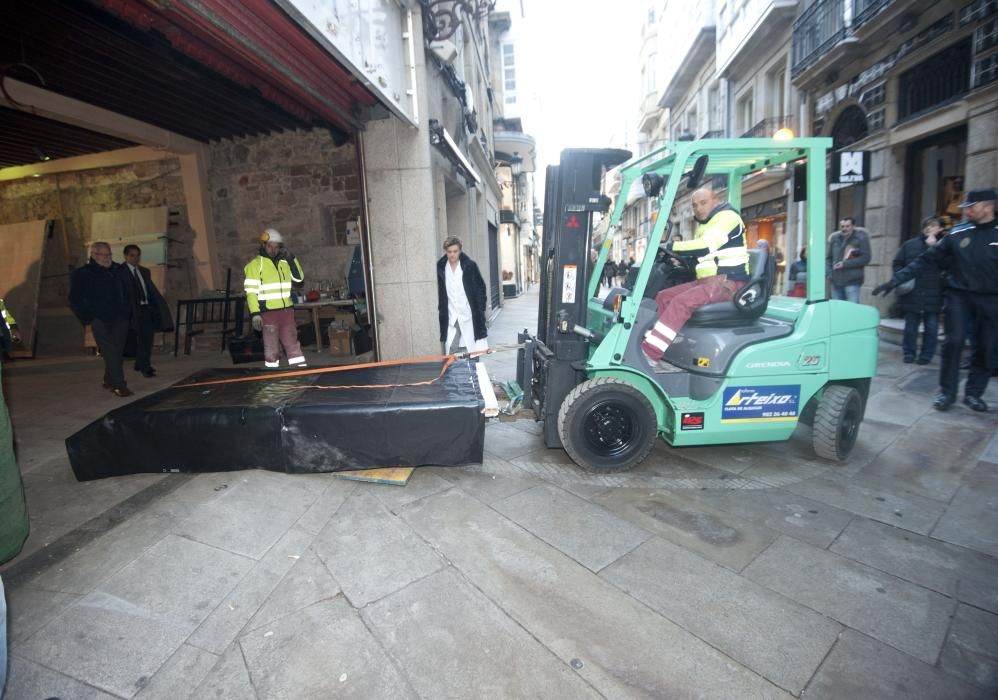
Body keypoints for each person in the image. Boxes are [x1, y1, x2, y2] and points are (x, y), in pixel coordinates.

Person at [873, 188, 998, 412]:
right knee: (954, 342)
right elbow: (924, 260)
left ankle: (974, 394)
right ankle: (947, 393)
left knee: (987, 347)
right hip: (959, 296)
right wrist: (894, 281)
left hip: (991, 299)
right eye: (966, 206)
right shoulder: (957, 234)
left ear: (989, 206)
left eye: (972, 206)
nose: (967, 210)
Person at [641, 187, 749, 363]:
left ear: (716, 200)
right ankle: (665, 343)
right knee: (663, 296)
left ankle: (650, 353)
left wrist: (671, 247)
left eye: (703, 203)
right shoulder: (707, 224)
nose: (698, 208)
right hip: (708, 283)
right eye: (694, 205)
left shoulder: (727, 217)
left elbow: (705, 246)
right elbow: (701, 258)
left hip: (727, 283)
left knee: (681, 302)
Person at [70, 242, 134, 397]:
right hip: (99, 318)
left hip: (120, 317)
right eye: (103, 255)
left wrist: (128, 312)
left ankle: (108, 379)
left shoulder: (118, 270)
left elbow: (129, 292)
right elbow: (74, 299)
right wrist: (89, 318)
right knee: (110, 351)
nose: (107, 258)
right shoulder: (82, 274)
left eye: (109, 254)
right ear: (93, 255)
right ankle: (119, 385)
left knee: (117, 351)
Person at [244, 228, 306, 369]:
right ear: (263, 245)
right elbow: (251, 292)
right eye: (270, 246)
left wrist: (292, 259)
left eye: (276, 246)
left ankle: (301, 372)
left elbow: (299, 278)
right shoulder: (254, 266)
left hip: (286, 311)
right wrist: (255, 314)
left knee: (292, 344)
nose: (273, 249)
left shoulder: (285, 263)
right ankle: (272, 376)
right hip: (268, 312)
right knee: (271, 348)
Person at [892, 217, 944, 365]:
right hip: (913, 291)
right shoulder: (909, 244)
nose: (930, 228)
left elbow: (947, 265)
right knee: (910, 326)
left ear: (940, 229)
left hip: (933, 292)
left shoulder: (943, 246)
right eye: (927, 225)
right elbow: (897, 263)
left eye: (934, 226)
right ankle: (909, 353)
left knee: (932, 327)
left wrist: (933, 248)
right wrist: (902, 278)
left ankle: (926, 355)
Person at [121, 245, 171, 377]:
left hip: (145, 309)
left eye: (137, 255)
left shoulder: (144, 271)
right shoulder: (120, 272)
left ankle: (143, 364)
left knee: (147, 338)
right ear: (125, 256)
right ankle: (143, 365)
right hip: (132, 311)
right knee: (136, 339)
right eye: (132, 255)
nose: (135, 258)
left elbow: (149, 290)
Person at [437, 236, 488, 354]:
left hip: (469, 315)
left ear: (460, 250)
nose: (452, 255)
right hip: (451, 315)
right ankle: (453, 371)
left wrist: (480, 309)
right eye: (449, 252)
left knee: (472, 349)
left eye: (455, 251)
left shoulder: (469, 266)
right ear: (446, 252)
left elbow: (481, 289)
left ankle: (473, 370)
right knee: (451, 349)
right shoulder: (441, 268)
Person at [826, 217, 871, 302]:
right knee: (837, 310)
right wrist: (828, 273)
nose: (844, 229)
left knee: (852, 310)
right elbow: (829, 258)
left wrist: (845, 264)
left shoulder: (861, 238)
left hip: (852, 281)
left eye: (847, 226)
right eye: (842, 226)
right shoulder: (834, 238)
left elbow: (866, 258)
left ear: (853, 226)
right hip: (836, 281)